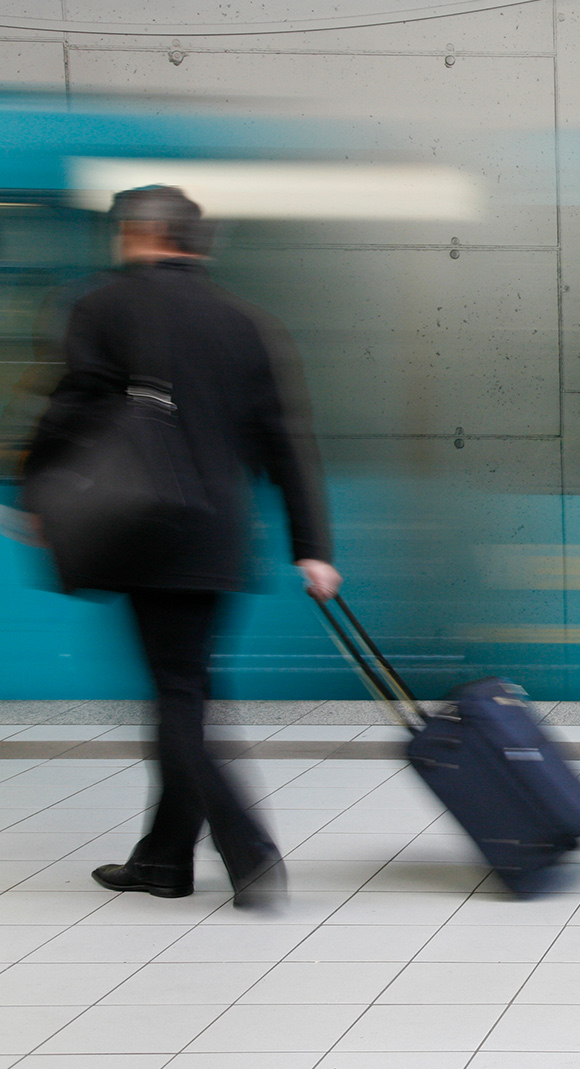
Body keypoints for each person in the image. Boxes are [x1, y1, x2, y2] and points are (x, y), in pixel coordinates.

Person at [20, 186, 341, 906]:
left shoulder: (102, 303)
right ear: (195, 242)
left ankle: (251, 851)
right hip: (220, 534)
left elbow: (74, 402)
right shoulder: (247, 321)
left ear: (136, 234)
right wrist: (311, 545)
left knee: (176, 694)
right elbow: (287, 441)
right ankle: (162, 859)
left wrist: (36, 487)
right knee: (187, 686)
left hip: (143, 527)